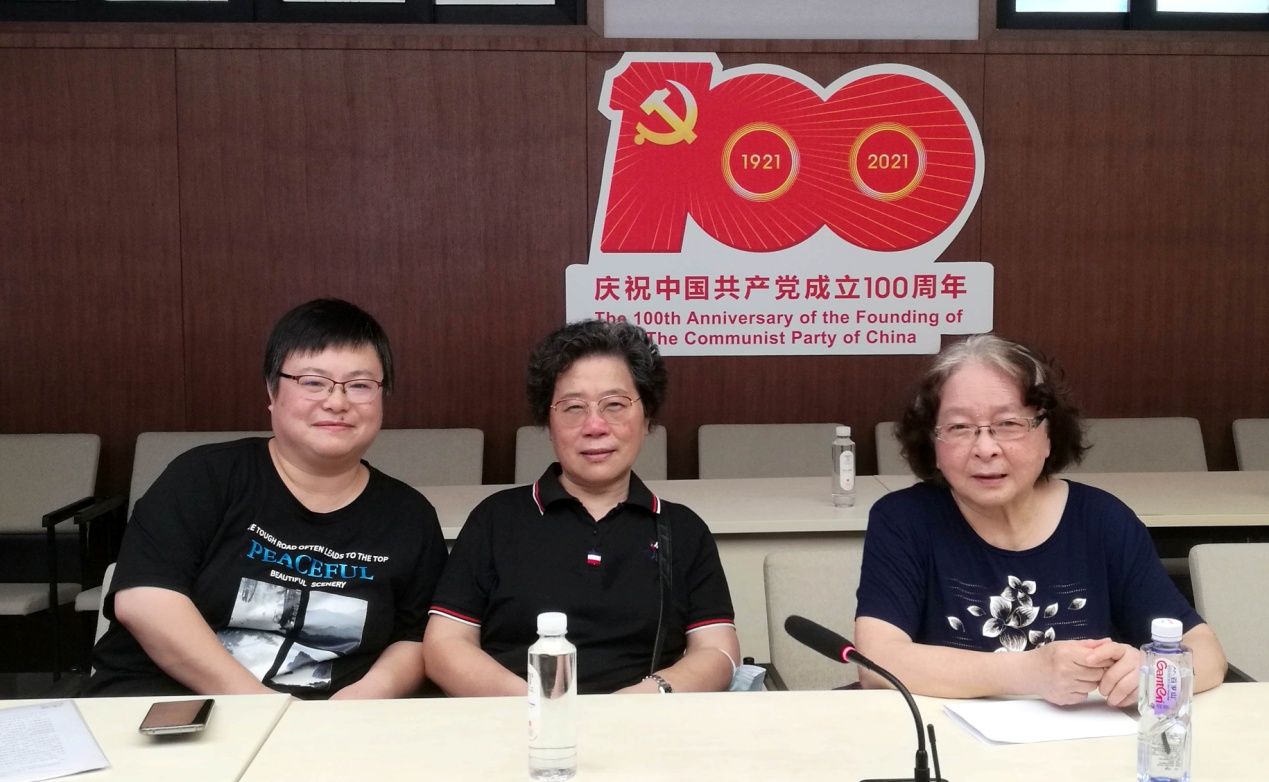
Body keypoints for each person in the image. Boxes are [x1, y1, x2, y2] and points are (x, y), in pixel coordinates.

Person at [86, 299, 448, 699]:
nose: (337, 402)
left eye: (360, 385)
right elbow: (145, 599)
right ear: (272, 392)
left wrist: (355, 706)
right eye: (313, 382)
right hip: (171, 705)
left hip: (331, 722)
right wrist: (266, 708)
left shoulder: (409, 516)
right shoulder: (204, 477)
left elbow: (416, 636)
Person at [855, 334, 1226, 707]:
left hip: (1088, 740)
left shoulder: (1102, 521)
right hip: (940, 737)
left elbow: (1205, 653)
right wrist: (1029, 672)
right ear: (933, 445)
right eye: (959, 428)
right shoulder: (904, 520)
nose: (985, 448)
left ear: (1049, 435)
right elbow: (875, 662)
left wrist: (1151, 672)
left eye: (1008, 424)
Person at [422, 319, 739, 695]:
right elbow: (444, 645)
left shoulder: (683, 529)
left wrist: (642, 699)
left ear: (647, 419)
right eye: (573, 407)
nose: (595, 425)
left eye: (615, 405)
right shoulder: (496, 519)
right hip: (516, 716)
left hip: (645, 719)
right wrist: (539, 703)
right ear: (548, 422)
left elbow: (718, 651)